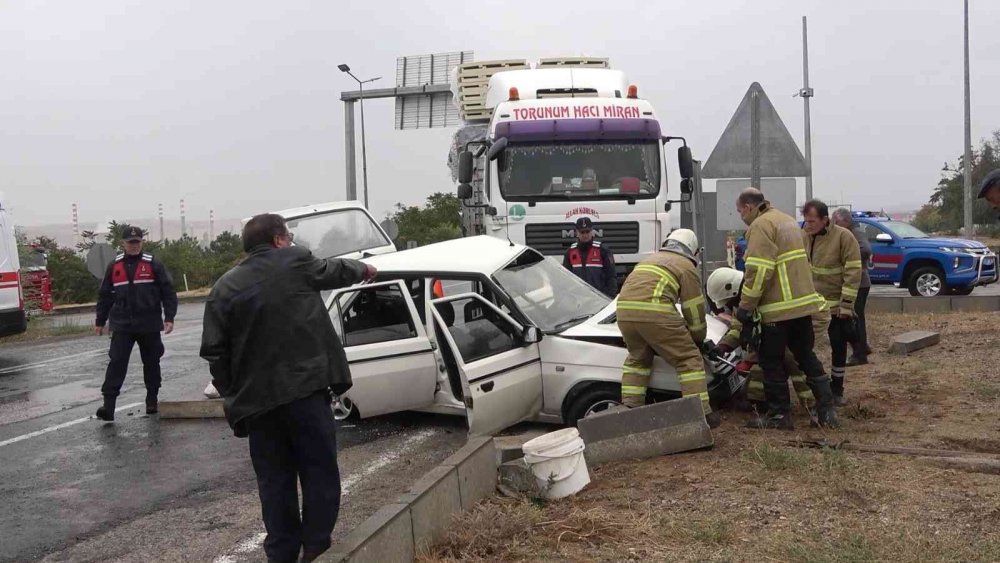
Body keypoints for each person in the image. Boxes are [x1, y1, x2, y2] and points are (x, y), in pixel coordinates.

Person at [200, 214, 376, 563]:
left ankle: (280, 553)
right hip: (306, 394)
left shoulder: (223, 287)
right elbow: (335, 270)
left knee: (275, 481)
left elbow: (214, 353)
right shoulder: (295, 260)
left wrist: (234, 391)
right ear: (279, 240)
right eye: (289, 236)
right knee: (319, 471)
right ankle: (315, 548)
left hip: (258, 406)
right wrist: (366, 270)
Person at [735, 188, 837, 429]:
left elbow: (758, 270)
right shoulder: (789, 222)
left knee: (771, 360)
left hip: (778, 309)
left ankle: (779, 416)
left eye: (740, 212)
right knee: (805, 356)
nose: (741, 217)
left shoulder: (760, 226)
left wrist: (746, 307)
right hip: (802, 307)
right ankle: (827, 410)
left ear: (749, 207)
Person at [616, 229, 719, 428]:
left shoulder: (648, 260)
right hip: (655, 311)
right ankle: (701, 415)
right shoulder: (685, 266)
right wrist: (697, 339)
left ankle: (630, 408)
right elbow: (694, 309)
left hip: (624, 312)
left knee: (638, 359)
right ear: (693, 250)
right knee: (688, 360)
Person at [706, 267, 815, 418]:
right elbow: (739, 328)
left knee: (794, 363)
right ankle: (762, 403)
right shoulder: (744, 302)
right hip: (773, 338)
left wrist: (749, 360)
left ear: (733, 291)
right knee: (759, 372)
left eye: (729, 301)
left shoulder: (761, 297)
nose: (730, 305)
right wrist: (723, 346)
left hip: (790, 336)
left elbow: (766, 335)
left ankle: (814, 406)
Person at [94, 225, 177, 421]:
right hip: (122, 324)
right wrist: (100, 321)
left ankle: (152, 400)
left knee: (151, 362)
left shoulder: (152, 263)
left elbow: (168, 291)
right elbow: (104, 296)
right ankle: (109, 406)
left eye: (137, 242)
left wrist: (170, 317)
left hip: (148, 323)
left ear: (142, 242)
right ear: (123, 243)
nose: (134, 246)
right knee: (116, 362)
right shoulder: (114, 266)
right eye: (130, 242)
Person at [801, 200, 862, 407]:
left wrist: (846, 305)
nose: (808, 225)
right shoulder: (805, 236)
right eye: (805, 221)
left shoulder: (844, 237)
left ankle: (837, 389)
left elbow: (853, 272)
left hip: (836, 305)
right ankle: (815, 388)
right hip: (812, 305)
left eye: (812, 221)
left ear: (825, 220)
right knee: (806, 347)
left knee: (838, 346)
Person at [833, 208, 874, 365]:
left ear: (845, 221)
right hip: (856, 282)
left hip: (859, 282)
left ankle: (860, 354)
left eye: (835, 222)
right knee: (854, 317)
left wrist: (846, 254)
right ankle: (863, 346)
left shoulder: (854, 233)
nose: (833, 225)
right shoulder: (846, 233)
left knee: (856, 318)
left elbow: (866, 250)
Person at [563, 217, 617, 297]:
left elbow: (611, 276)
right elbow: (566, 279)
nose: (585, 235)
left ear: (592, 231)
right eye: (582, 232)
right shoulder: (570, 252)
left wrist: (610, 296)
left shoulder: (603, 250)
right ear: (577, 232)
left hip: (600, 298)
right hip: (579, 300)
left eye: (587, 232)